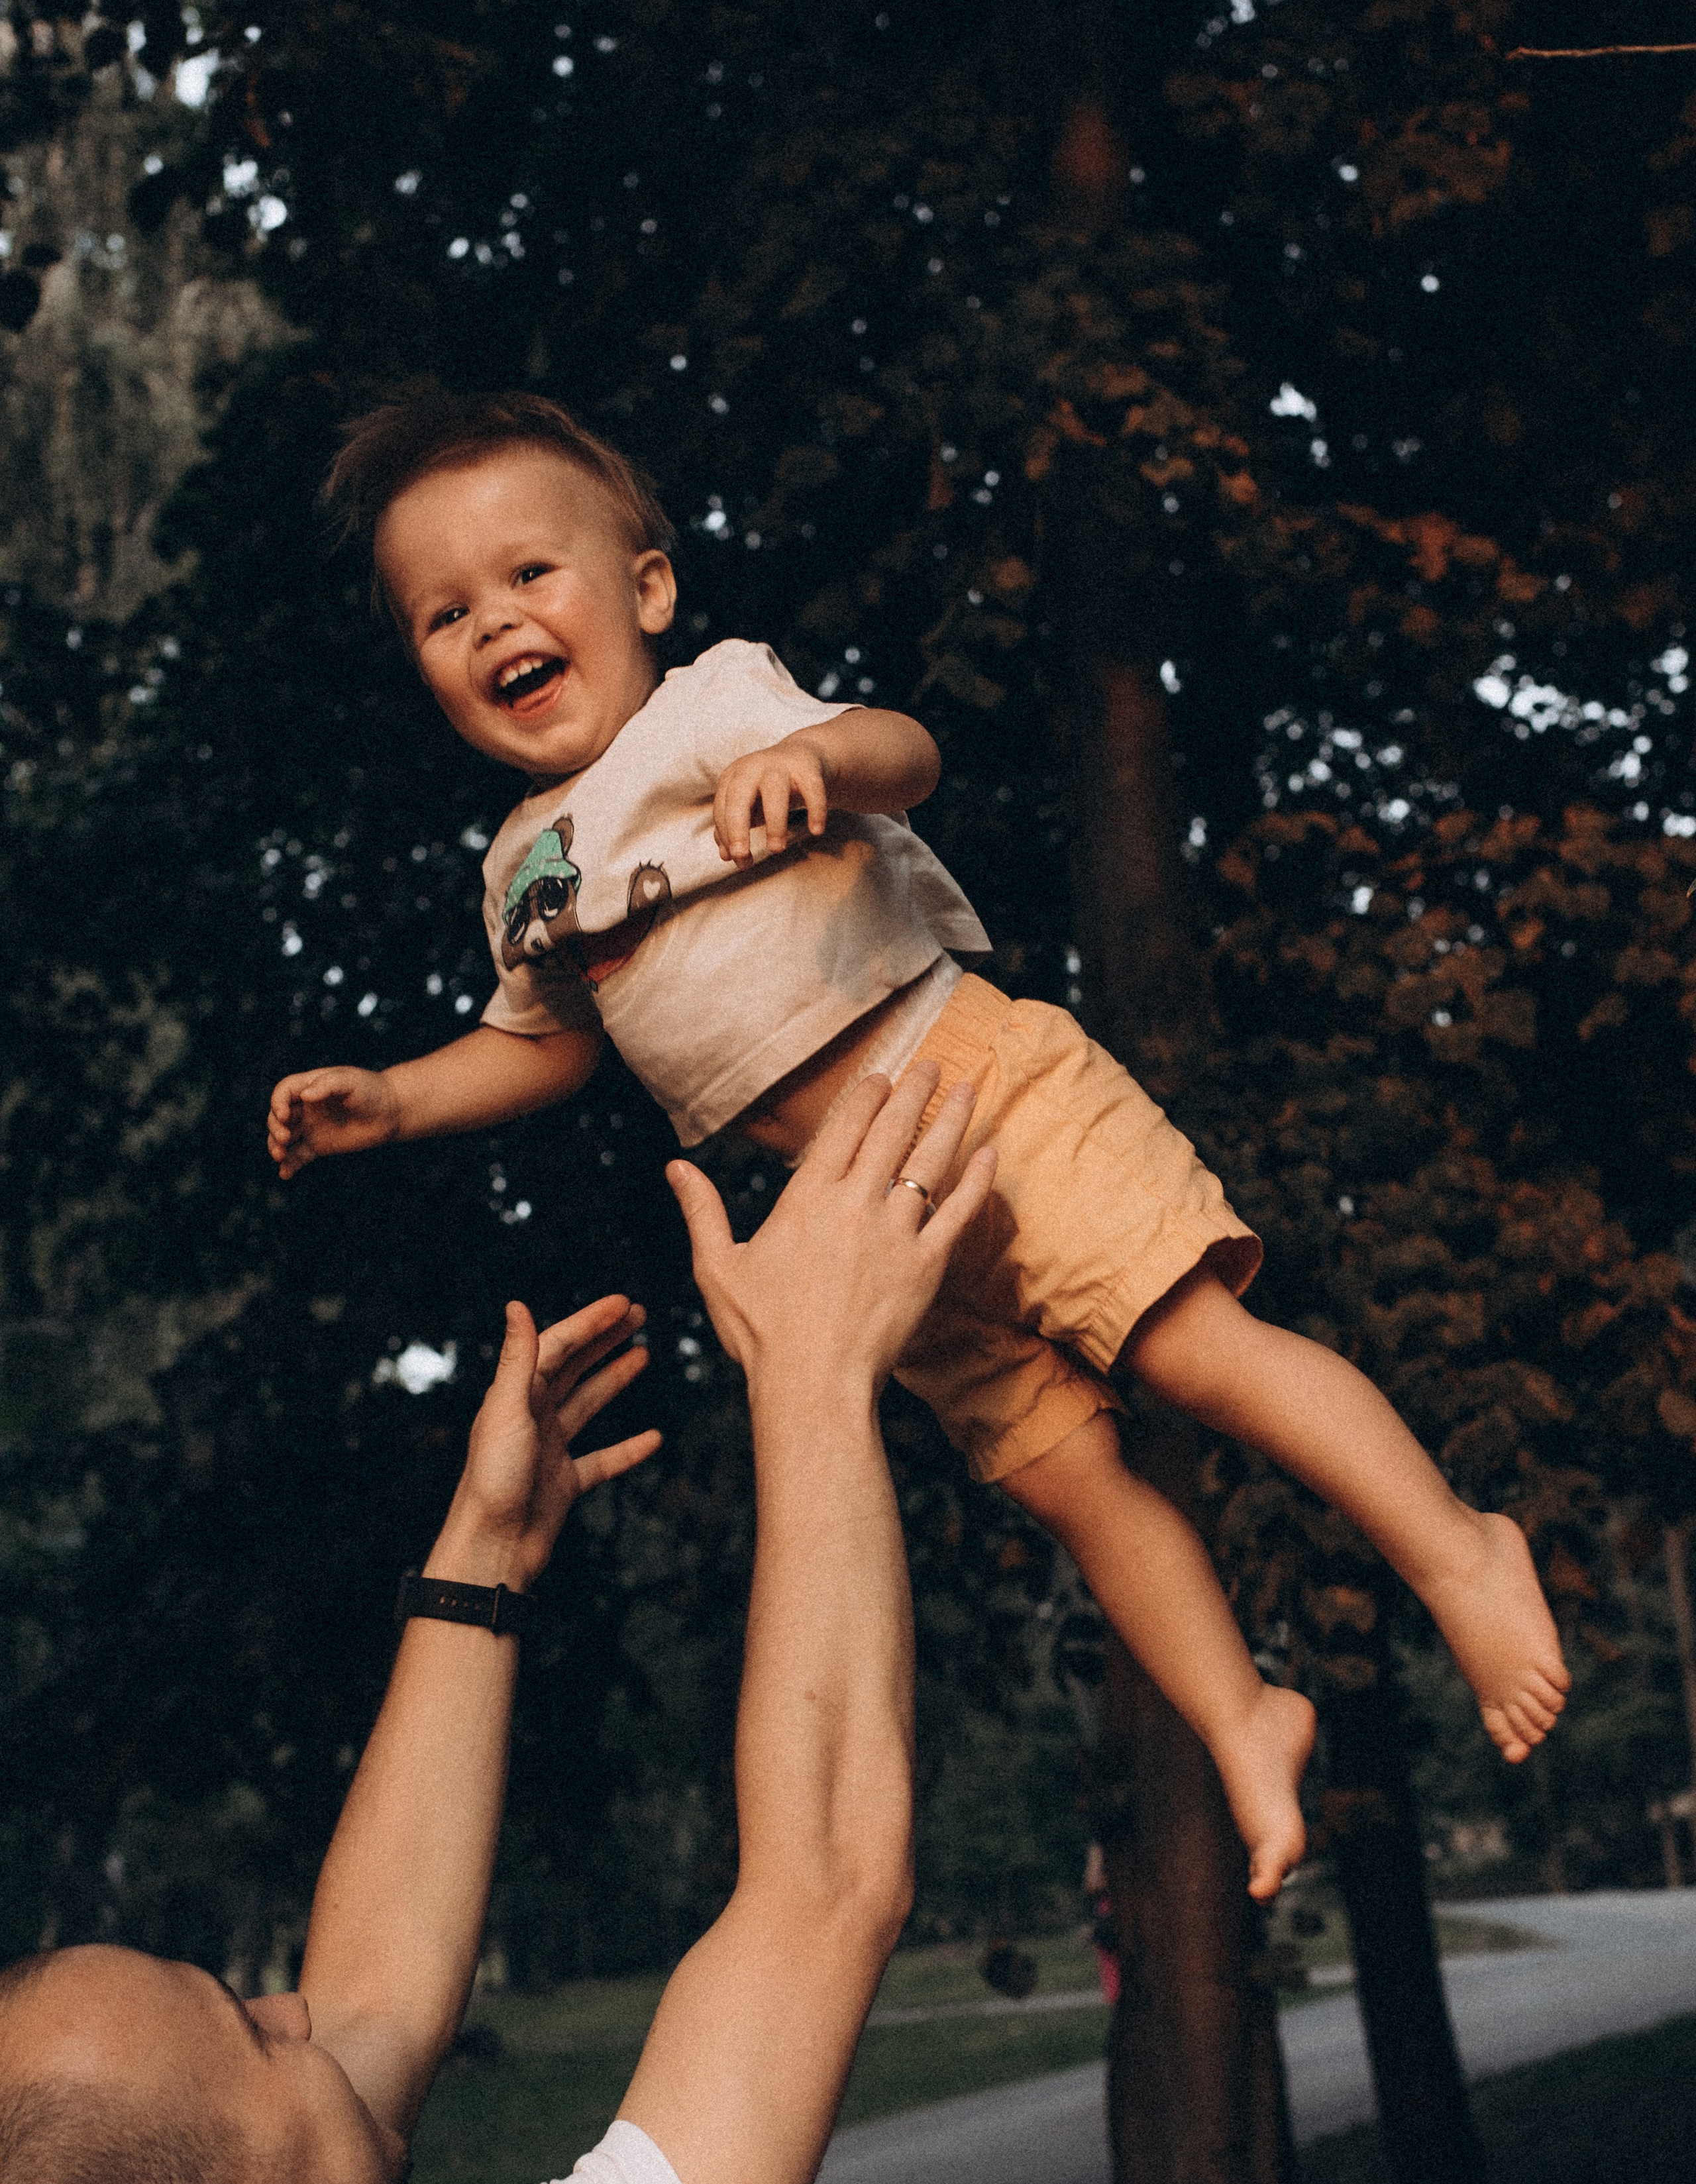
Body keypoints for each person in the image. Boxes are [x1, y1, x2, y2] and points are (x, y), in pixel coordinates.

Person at [266, 388, 1569, 1898]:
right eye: (444, 612)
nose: (494, 622)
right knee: (1068, 1479)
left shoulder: (716, 704)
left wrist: (817, 768)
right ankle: (1242, 1714)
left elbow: (906, 749)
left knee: (1194, 1351)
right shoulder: (524, 866)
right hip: (867, 1220)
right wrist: (399, 1097)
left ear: (647, 590)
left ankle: (1460, 1550)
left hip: (969, 1090)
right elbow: (542, 1041)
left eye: (527, 574)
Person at [1, 1066, 996, 2184]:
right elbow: (827, 1884)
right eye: (248, 2028)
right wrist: (816, 1365)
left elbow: (363, 2017)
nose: (295, 2009)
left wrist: (481, 1565)